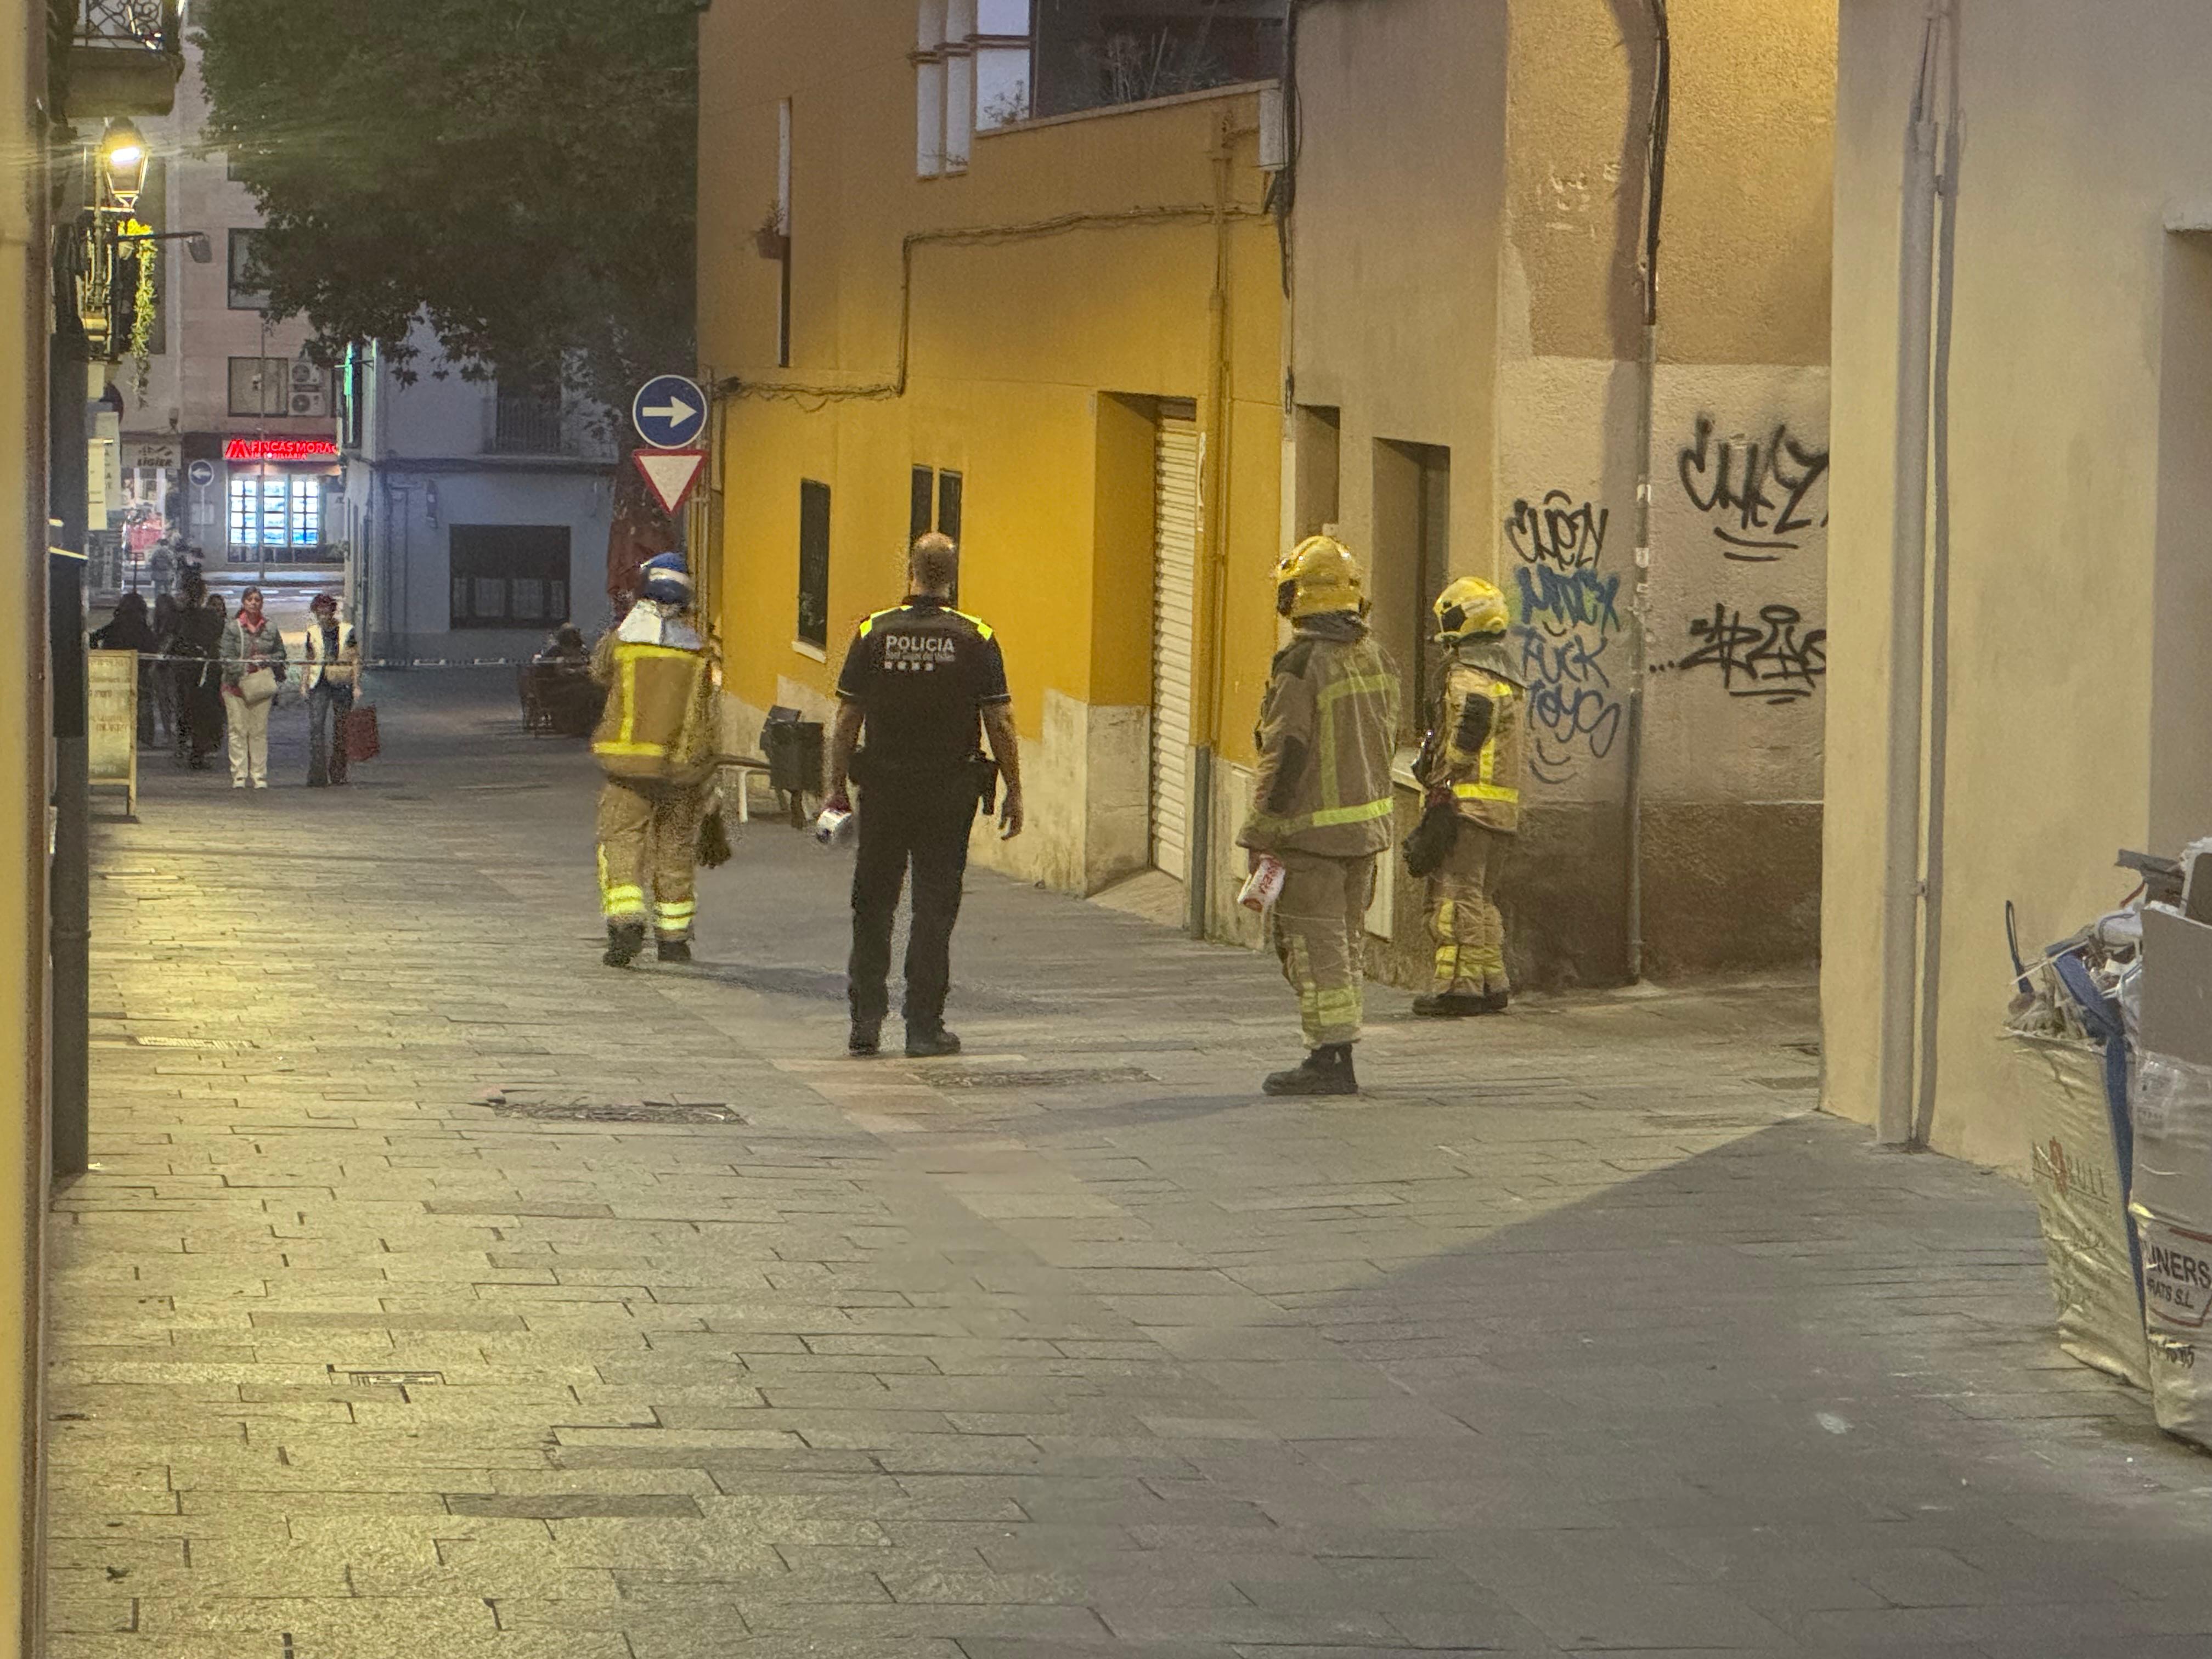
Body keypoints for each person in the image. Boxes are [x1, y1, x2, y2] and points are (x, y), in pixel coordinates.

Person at [825, 532, 1024, 1060]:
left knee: (873, 904)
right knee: (934, 908)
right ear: (952, 576)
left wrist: (834, 785)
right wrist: (1014, 789)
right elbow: (999, 721)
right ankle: (923, 1028)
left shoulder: (874, 632)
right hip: (947, 792)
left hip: (885, 790)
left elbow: (848, 716)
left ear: (909, 569)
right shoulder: (976, 637)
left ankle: (865, 1023)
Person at [1237, 535, 1399, 1098]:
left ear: (1297, 597)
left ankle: (1330, 1058)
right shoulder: (1376, 655)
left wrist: (1260, 831)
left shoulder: (1302, 663)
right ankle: (1338, 1048)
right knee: (1346, 941)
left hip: (1311, 833)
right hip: (1366, 830)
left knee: (1313, 943)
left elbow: (1285, 754)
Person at [590, 554, 721, 968]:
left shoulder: (622, 642)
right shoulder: (700, 652)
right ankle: (674, 939)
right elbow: (707, 713)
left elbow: (598, 672)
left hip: (628, 768)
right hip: (682, 770)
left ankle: (626, 919)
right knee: (676, 849)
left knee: (622, 841)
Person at [1414, 577, 1531, 1018]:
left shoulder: (1469, 676)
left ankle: (1457, 989)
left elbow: (1471, 720)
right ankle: (1491, 981)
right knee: (1482, 898)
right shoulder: (1508, 677)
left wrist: (1449, 767)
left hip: (1467, 805)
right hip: (1500, 808)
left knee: (1454, 898)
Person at [218, 585, 289, 790]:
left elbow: (281, 654)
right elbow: (226, 655)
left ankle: (259, 776)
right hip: (235, 686)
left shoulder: (270, 628)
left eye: (257, 599)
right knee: (237, 730)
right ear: (243, 602)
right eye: (250, 599)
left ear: (262, 603)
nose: (253, 603)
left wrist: (267, 659)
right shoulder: (233, 628)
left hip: (260, 686)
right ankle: (239, 775)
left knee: (259, 731)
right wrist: (239, 674)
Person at [298, 592, 360, 787]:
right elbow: (308, 658)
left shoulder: (347, 630)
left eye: (326, 610)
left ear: (333, 610)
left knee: (341, 728)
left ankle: (339, 772)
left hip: (342, 682)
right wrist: (304, 683)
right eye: (319, 610)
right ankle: (317, 775)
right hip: (319, 682)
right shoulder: (313, 632)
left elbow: (355, 658)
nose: (323, 614)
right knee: (316, 727)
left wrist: (356, 684)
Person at [90, 591, 159, 744]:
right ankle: (146, 737)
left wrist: (99, 654)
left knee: (118, 704)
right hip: (140, 669)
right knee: (143, 703)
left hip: (116, 669)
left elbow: (94, 638)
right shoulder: (143, 627)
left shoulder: (116, 625)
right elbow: (153, 646)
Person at [176, 585, 228, 771]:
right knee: (205, 713)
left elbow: (177, 642)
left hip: (192, 672)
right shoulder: (210, 619)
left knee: (191, 710)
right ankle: (199, 750)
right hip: (207, 672)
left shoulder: (184, 619)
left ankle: (192, 747)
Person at [149, 590, 180, 750]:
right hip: (160, 666)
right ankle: (169, 732)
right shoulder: (158, 625)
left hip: (170, 666)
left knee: (173, 700)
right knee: (163, 701)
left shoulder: (173, 625)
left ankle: (176, 732)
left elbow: (170, 641)